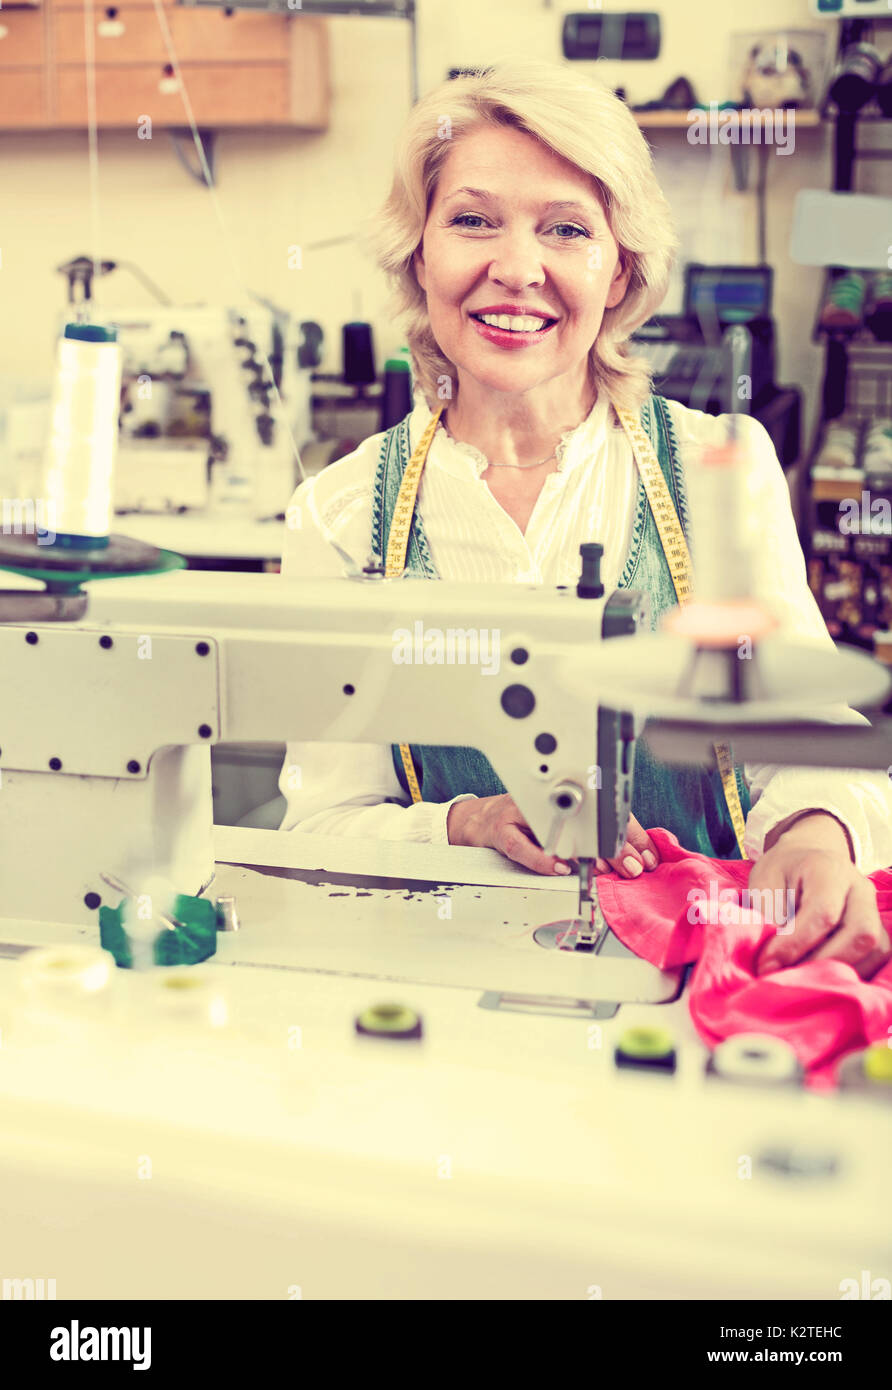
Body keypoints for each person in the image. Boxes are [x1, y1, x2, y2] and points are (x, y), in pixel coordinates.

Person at [279, 61, 892, 978]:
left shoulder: (718, 466)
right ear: (419, 252)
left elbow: (811, 741)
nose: (516, 269)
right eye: (473, 220)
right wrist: (464, 821)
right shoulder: (338, 514)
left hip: (696, 982)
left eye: (566, 228)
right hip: (447, 978)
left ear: (621, 270)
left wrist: (813, 834)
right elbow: (322, 826)